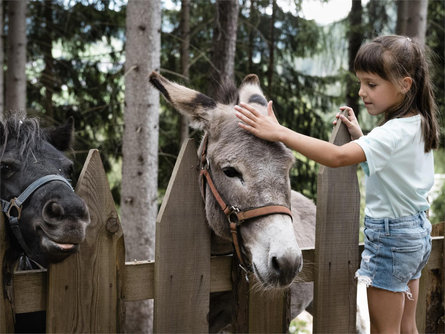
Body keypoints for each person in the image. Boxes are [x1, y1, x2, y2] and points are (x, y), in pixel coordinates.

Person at [234, 35, 439, 334]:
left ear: (404, 84)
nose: (362, 92)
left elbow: (338, 156)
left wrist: (280, 132)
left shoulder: (391, 133)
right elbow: (392, 168)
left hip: (392, 241)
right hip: (416, 234)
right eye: (361, 83)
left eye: (372, 84)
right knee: (407, 326)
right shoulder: (419, 122)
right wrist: (362, 137)